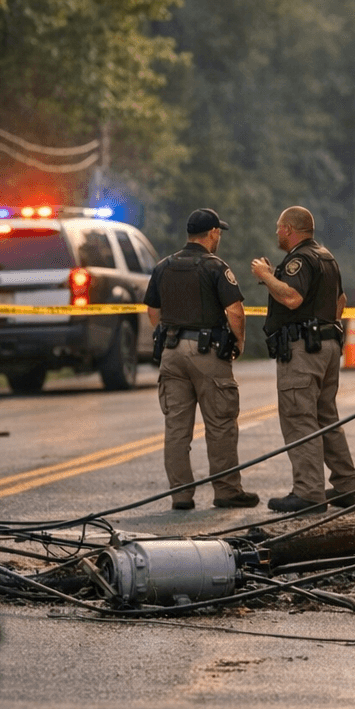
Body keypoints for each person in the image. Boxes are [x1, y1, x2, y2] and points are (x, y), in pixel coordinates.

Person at [249, 206, 355, 515]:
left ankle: (309, 492)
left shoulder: (299, 260)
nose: (276, 233)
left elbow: (292, 298)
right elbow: (341, 302)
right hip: (327, 347)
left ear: (289, 229)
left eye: (278, 228)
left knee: (300, 419)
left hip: (303, 350)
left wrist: (264, 275)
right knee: (327, 419)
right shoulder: (327, 258)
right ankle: (347, 486)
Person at [143, 208, 256, 510]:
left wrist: (169, 336)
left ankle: (181, 495)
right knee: (220, 424)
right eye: (219, 232)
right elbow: (234, 310)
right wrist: (240, 342)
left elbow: (153, 312)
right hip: (207, 353)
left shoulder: (163, 266)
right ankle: (227, 491)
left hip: (171, 352)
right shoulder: (215, 267)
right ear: (213, 233)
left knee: (176, 428)